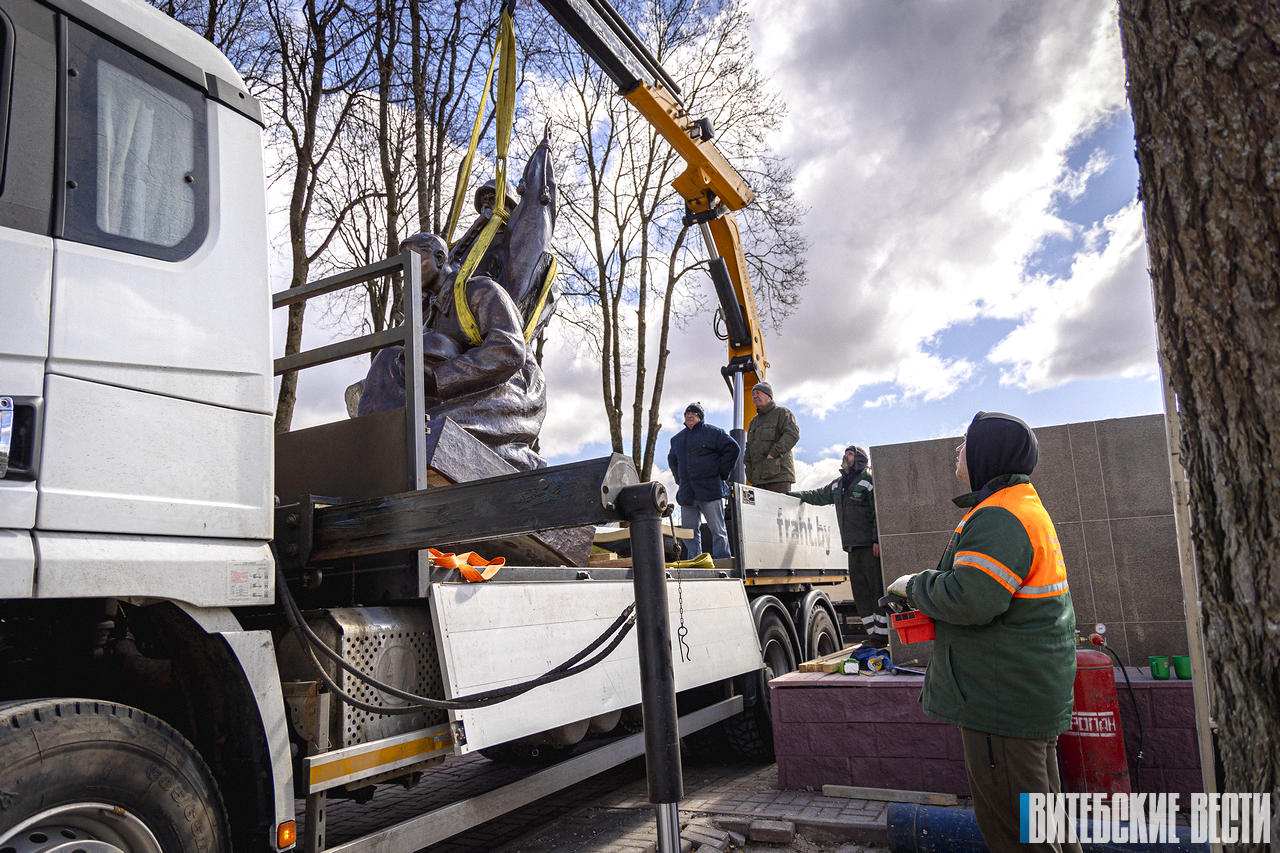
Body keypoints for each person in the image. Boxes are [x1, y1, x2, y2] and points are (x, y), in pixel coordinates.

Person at [887, 412, 1079, 853]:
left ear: (988, 453)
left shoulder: (999, 516)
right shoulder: (1017, 506)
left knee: (1017, 835)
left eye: (965, 442)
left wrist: (913, 585)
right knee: (1045, 831)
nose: (957, 450)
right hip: (1020, 695)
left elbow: (972, 599)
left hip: (1001, 703)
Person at [357, 232, 546, 471]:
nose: (409, 271)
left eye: (414, 260)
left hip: (508, 389)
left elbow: (509, 350)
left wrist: (442, 376)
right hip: (453, 390)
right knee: (389, 361)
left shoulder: (481, 290)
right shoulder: (425, 313)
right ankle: (368, 436)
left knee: (428, 431)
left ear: (439, 258)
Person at [794, 446, 887, 646]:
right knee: (861, 593)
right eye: (845, 454)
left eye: (850, 454)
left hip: (869, 548)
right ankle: (873, 635)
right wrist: (794, 496)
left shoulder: (867, 481)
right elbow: (818, 495)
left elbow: (878, 511)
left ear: (859, 458)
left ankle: (882, 635)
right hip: (852, 547)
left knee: (876, 590)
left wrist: (877, 539)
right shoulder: (838, 485)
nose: (845, 456)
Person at [667, 403, 741, 559]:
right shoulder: (677, 439)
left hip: (710, 490)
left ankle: (722, 560)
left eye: (694, 413)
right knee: (689, 533)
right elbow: (672, 459)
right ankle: (695, 561)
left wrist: (721, 473)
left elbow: (733, 448)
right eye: (687, 413)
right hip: (687, 493)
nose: (690, 415)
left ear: (700, 417)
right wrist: (679, 479)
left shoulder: (714, 433)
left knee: (718, 531)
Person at [743, 382, 799, 493]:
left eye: (758, 393)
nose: (754, 396)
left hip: (779, 477)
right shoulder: (754, 422)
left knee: (779, 509)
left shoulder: (782, 413)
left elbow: (792, 435)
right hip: (758, 480)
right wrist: (748, 466)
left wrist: (772, 454)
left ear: (768, 396)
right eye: (753, 394)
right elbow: (749, 447)